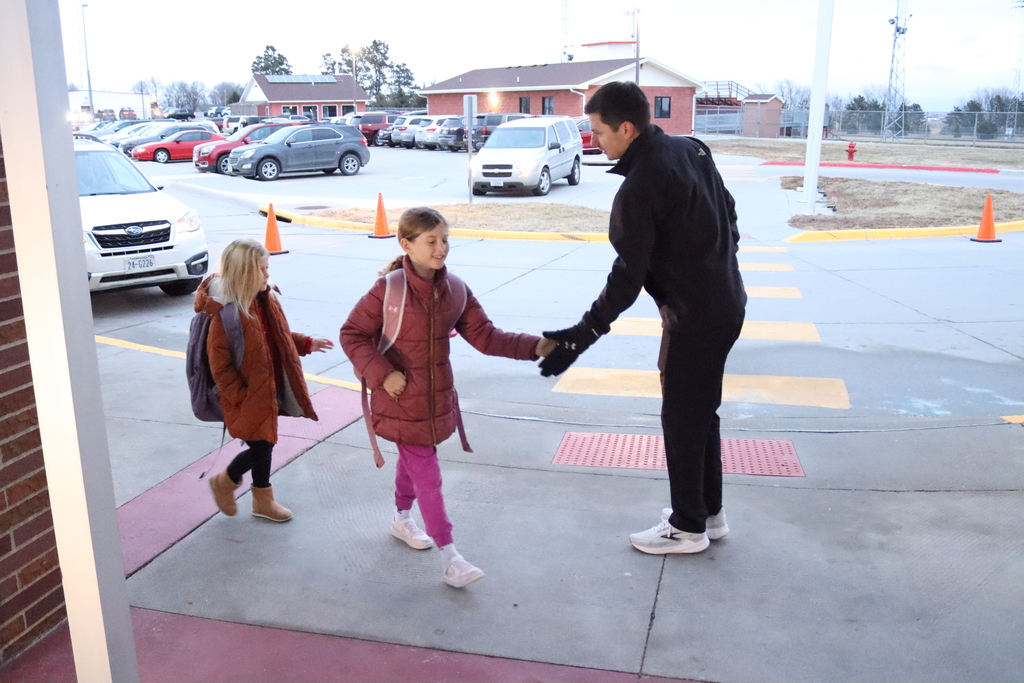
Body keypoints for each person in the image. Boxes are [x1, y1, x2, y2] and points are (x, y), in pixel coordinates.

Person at [539, 81, 747, 556]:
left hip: (694, 319)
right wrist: (715, 264)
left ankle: (688, 526)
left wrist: (582, 334)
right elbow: (730, 214)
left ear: (626, 128)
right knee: (700, 415)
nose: (594, 140)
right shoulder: (693, 149)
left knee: (681, 418)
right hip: (728, 305)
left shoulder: (640, 187)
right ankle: (709, 515)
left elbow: (625, 279)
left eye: (597, 131)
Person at [341, 207, 556, 588]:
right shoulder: (388, 290)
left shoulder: (455, 289)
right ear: (405, 245)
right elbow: (352, 334)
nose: (441, 248)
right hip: (399, 397)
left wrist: (535, 346)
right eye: (431, 241)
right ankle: (450, 555)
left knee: (414, 460)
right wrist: (382, 374)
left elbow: (487, 337)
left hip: (436, 400)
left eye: (445, 240)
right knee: (428, 474)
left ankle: (401, 519)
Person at [198, 239, 334, 522]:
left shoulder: (266, 300)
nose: (268, 274)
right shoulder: (227, 313)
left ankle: (261, 500)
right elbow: (219, 364)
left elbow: (280, 337)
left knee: (265, 442)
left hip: (267, 388)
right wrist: (240, 395)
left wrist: (308, 342)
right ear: (244, 273)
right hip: (247, 395)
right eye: (262, 269)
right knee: (262, 445)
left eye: (267, 267)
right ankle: (227, 481)